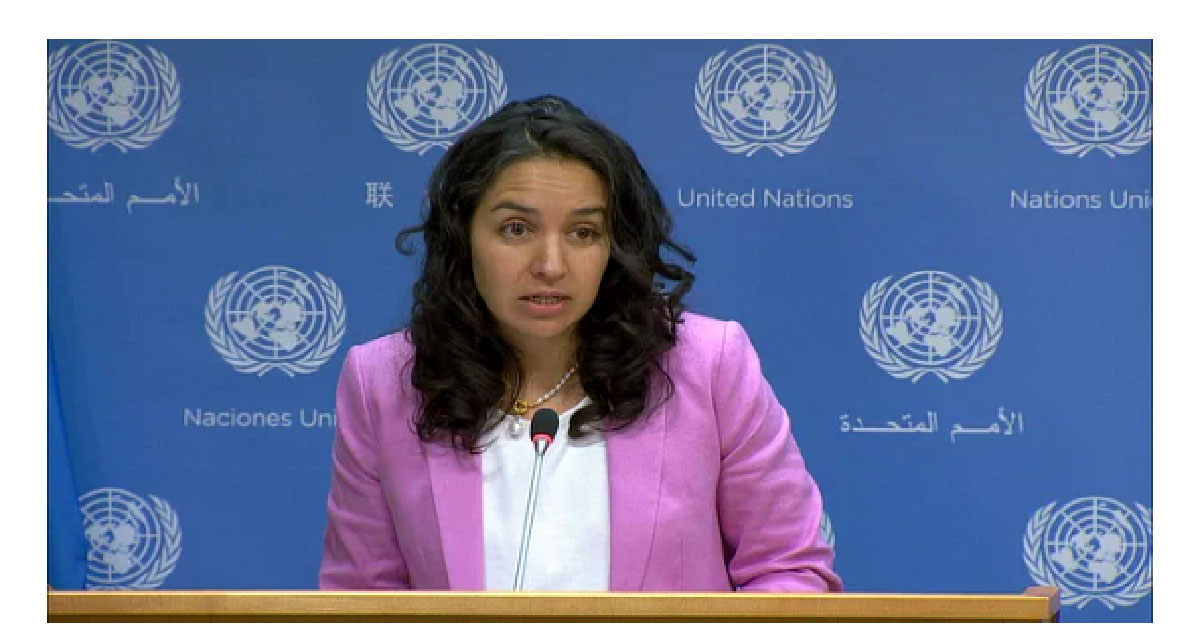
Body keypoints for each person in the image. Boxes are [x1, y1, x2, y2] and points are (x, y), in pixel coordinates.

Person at [319, 95, 841, 592]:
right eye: (516, 229)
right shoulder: (383, 381)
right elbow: (362, 599)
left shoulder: (708, 365)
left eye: (583, 233)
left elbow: (790, 571)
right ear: (463, 236)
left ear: (615, 245)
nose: (550, 265)